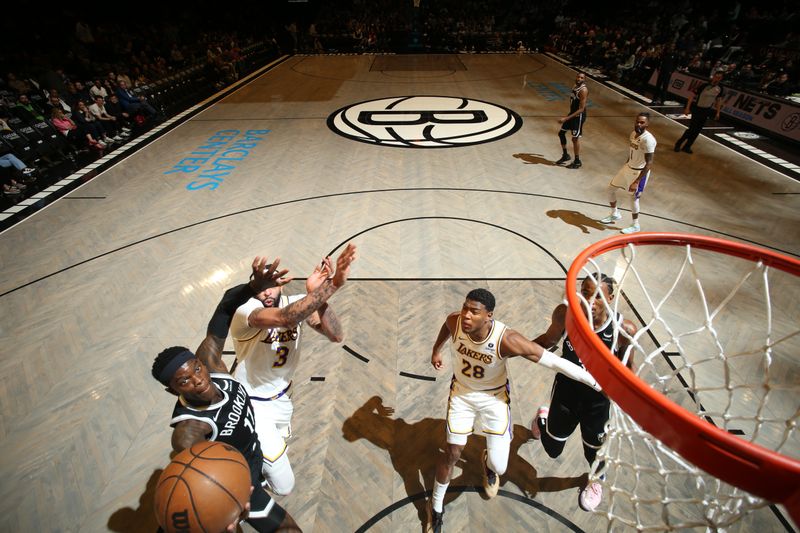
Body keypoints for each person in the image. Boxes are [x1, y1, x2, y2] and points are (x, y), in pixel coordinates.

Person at [426, 288, 601, 533]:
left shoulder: (506, 339)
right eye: (465, 307)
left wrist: (594, 381)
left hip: (494, 398)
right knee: (452, 452)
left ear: (488, 316)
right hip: (462, 395)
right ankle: (435, 507)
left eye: (473, 311)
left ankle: (489, 462)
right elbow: (446, 326)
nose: (466, 315)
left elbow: (553, 362)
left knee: (500, 467)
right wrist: (436, 349)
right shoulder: (455, 321)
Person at [152, 256, 301, 532]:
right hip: (235, 479)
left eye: (196, 369)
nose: (198, 380)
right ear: (171, 389)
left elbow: (224, 308)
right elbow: (196, 479)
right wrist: (224, 507)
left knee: (284, 488)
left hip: (255, 451)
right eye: (184, 381)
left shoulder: (210, 363)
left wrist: (250, 286)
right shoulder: (189, 431)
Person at [230, 244, 357, 496]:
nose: (267, 293)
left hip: (283, 399)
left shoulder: (297, 302)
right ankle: (242, 491)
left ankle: (250, 471)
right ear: (253, 290)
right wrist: (331, 286)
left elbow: (336, 335)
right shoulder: (246, 312)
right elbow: (285, 318)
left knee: (275, 453)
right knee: (285, 485)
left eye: (272, 285)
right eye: (261, 287)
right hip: (251, 402)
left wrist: (318, 296)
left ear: (282, 285)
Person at [530, 274, 637, 512]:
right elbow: (548, 340)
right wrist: (516, 346)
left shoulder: (622, 329)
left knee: (595, 454)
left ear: (611, 298)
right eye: (586, 293)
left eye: (598, 295)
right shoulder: (565, 316)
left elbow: (630, 371)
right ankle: (542, 418)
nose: (591, 300)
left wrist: (626, 395)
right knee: (553, 450)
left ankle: (595, 482)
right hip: (566, 396)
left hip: (597, 403)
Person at [600, 112, 656, 234]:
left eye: (642, 122)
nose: (639, 124)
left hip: (639, 173)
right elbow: (632, 152)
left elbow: (649, 163)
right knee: (610, 190)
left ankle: (636, 225)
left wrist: (637, 181)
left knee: (634, 199)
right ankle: (615, 213)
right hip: (628, 168)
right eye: (637, 121)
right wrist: (626, 164)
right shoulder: (633, 134)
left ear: (647, 124)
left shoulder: (648, 140)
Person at [674, 70, 725, 154]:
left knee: (697, 130)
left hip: (706, 110)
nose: (717, 78)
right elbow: (692, 96)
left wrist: (718, 112)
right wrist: (687, 108)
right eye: (716, 76)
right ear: (713, 76)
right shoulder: (704, 85)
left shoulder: (720, 88)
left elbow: (719, 100)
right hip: (697, 109)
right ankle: (678, 143)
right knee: (692, 129)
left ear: (721, 79)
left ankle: (687, 146)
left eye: (719, 78)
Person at [556, 72, 589, 169]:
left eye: (582, 78)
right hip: (572, 114)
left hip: (578, 116)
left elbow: (581, 109)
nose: (579, 78)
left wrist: (566, 118)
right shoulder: (575, 86)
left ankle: (577, 161)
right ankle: (565, 155)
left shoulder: (583, 90)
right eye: (578, 76)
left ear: (584, 80)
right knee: (561, 133)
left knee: (575, 139)